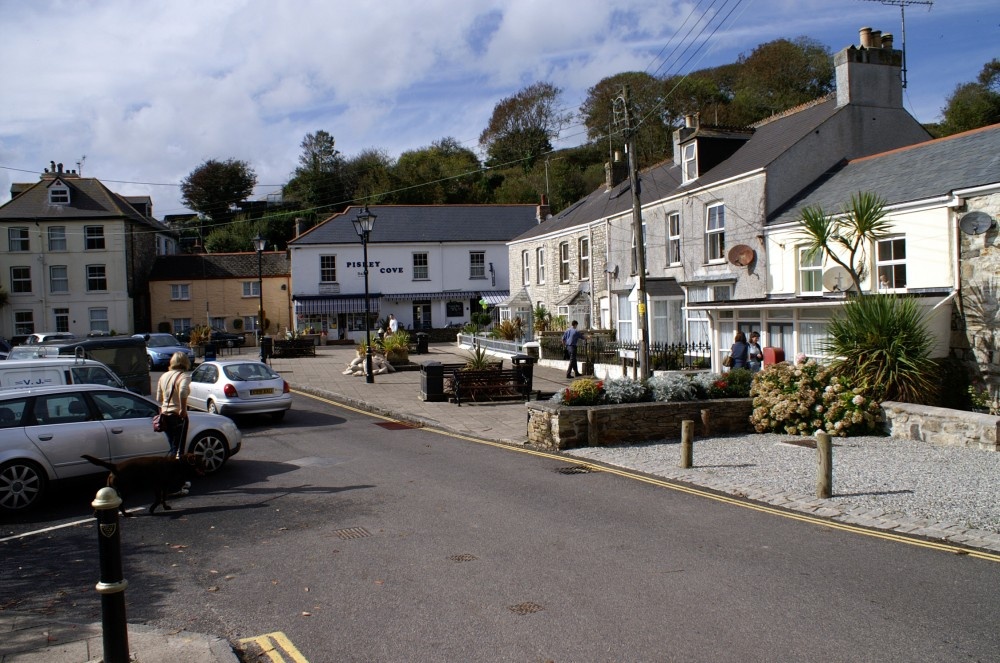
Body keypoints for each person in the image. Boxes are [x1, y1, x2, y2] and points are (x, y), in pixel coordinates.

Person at [156, 352, 191, 459]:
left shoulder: (163, 376)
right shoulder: (184, 376)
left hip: (164, 415)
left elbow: (158, 399)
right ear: (185, 362)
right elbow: (183, 392)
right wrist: (183, 409)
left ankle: (171, 469)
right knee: (179, 449)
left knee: (172, 446)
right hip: (177, 415)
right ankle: (176, 471)